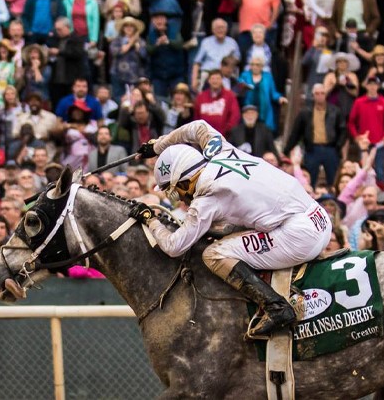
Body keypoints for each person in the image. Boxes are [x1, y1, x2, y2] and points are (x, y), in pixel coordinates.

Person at [139, 120, 331, 338]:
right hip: (319, 216)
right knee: (225, 231)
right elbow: (198, 126)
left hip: (300, 236)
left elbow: (174, 246)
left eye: (174, 193)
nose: (179, 200)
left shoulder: (206, 198)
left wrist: (149, 219)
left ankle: (276, 308)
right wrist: (158, 146)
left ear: (184, 183)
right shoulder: (220, 149)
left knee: (213, 254)